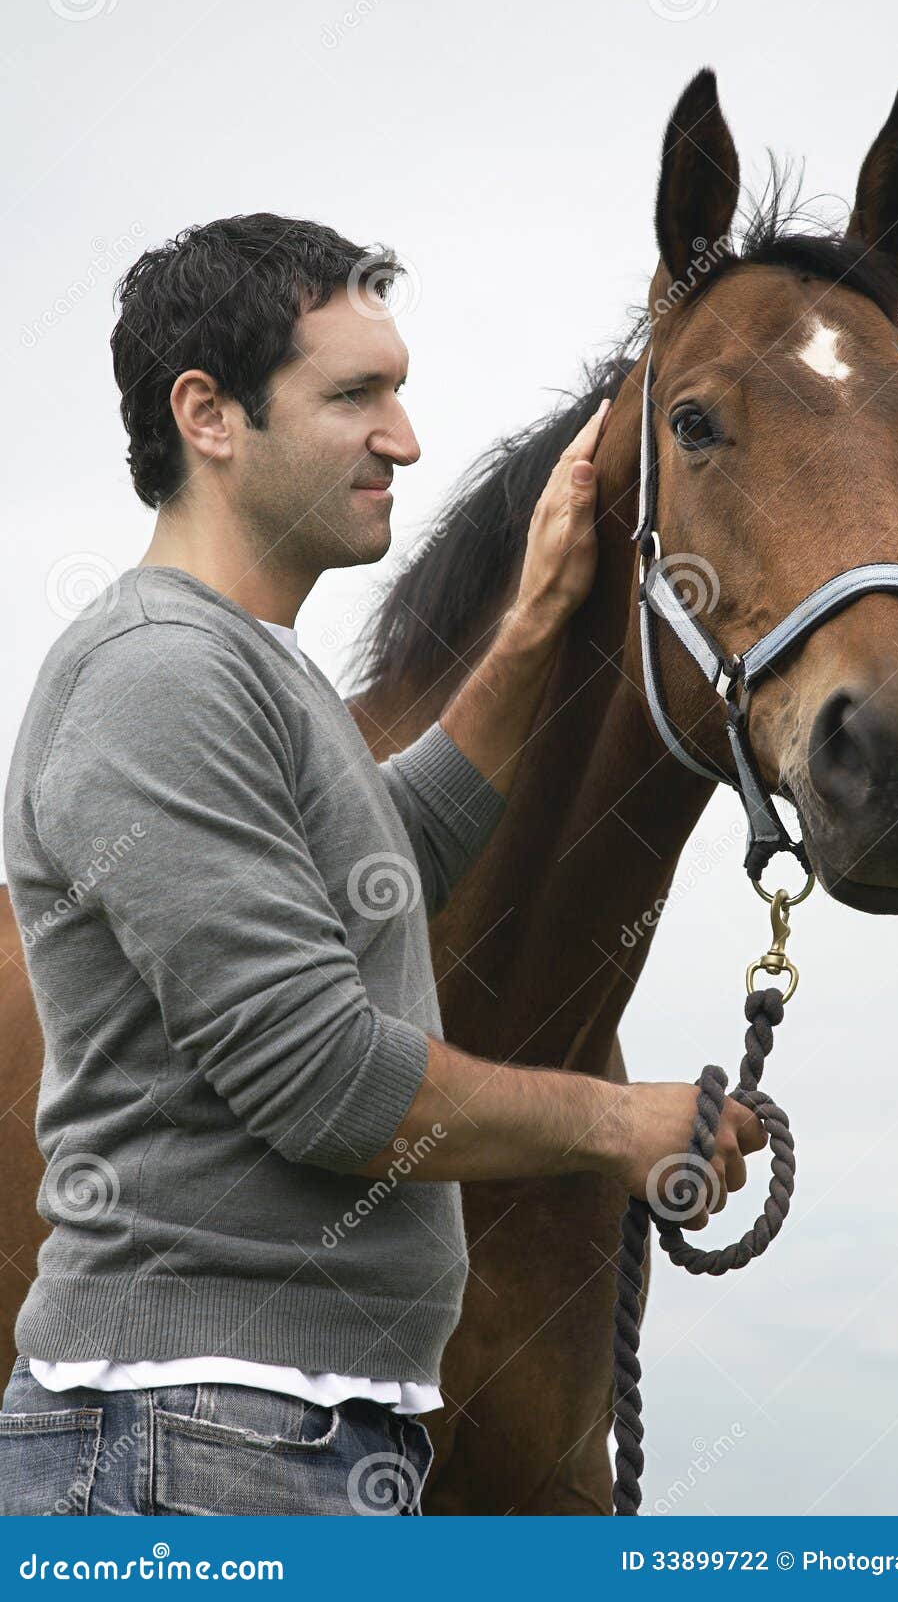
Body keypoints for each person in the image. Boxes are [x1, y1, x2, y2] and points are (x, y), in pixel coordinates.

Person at [0, 214, 766, 1516]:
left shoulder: (248, 669)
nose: (404, 438)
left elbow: (370, 878)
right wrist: (613, 1122)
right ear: (210, 414)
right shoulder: (157, 676)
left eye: (401, 392)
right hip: (194, 1430)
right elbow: (326, 1080)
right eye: (356, 394)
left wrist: (525, 637)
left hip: (263, 1424)